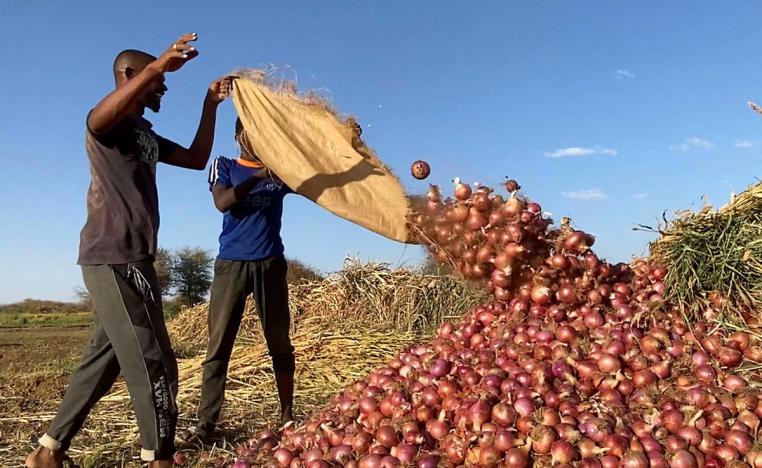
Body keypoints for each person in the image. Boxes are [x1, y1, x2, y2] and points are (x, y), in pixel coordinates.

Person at [25, 33, 231, 468]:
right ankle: (159, 458)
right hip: (113, 255)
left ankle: (48, 451)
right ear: (132, 76)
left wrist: (210, 106)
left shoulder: (144, 134)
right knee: (155, 362)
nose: (164, 88)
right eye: (156, 81)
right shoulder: (109, 125)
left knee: (108, 357)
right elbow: (95, 118)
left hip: (132, 256)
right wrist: (159, 66)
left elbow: (196, 159)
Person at [189, 118, 296, 443]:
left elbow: (321, 181)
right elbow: (223, 202)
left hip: (270, 264)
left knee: (279, 341)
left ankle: (288, 414)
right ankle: (206, 424)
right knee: (219, 345)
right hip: (232, 265)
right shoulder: (224, 165)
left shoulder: (282, 171)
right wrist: (259, 176)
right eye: (250, 130)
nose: (256, 137)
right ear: (238, 135)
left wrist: (344, 142)